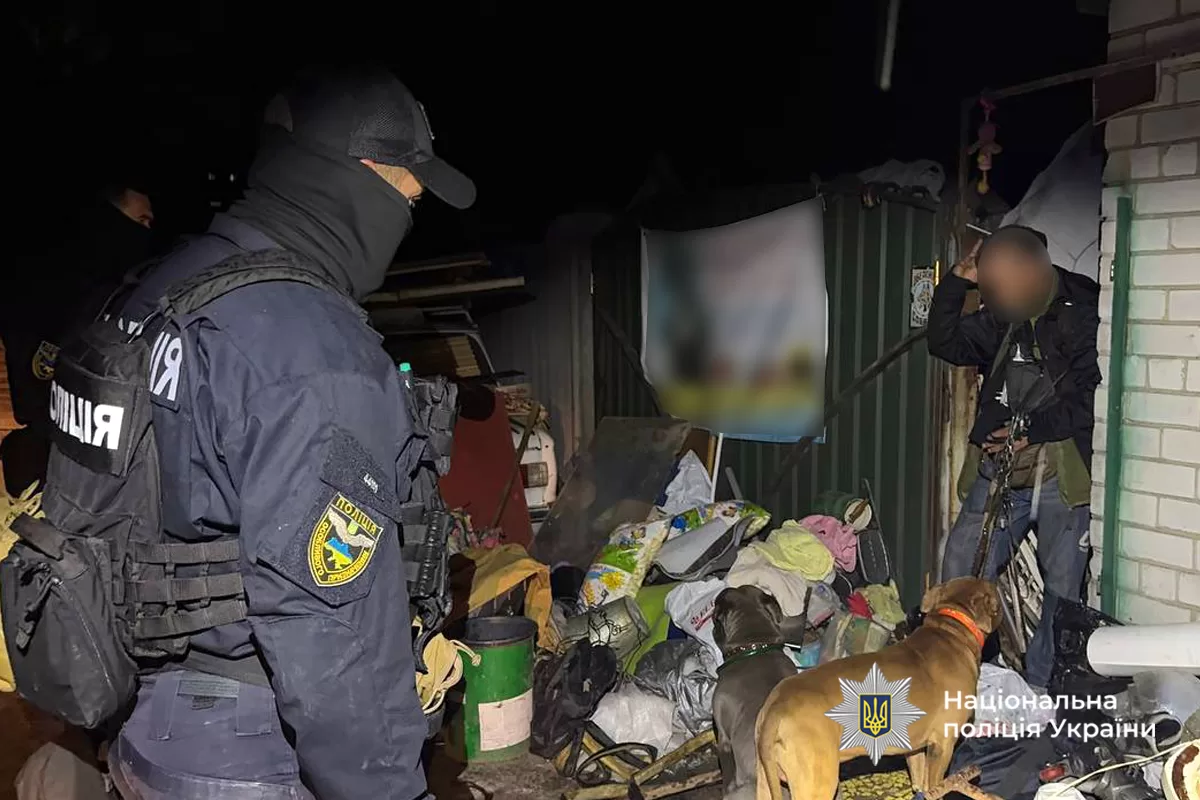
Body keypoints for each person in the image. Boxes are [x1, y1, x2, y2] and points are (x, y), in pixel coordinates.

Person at [87, 67, 474, 799]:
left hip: (142, 727)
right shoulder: (318, 358)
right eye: (408, 197)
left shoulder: (159, 292)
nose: (407, 219)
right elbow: (334, 641)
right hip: (249, 751)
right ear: (361, 178)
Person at [929, 224, 1100, 691]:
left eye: (1000, 287)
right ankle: (958, 674)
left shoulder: (1085, 311)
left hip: (1059, 471)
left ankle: (1043, 689)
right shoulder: (1005, 314)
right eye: (988, 289)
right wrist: (957, 283)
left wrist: (1031, 430)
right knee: (961, 567)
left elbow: (1092, 397)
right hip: (1001, 469)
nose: (993, 298)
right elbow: (945, 343)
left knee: (1062, 587)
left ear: (1033, 271)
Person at [0, 183, 156, 496]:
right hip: (56, 450)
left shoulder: (130, 286)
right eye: (140, 220)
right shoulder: (61, 282)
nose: (147, 232)